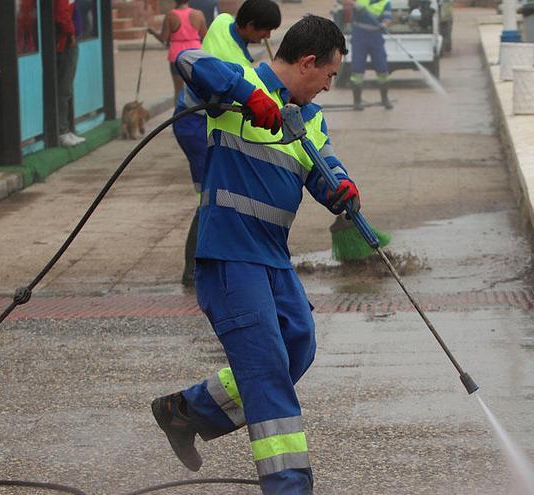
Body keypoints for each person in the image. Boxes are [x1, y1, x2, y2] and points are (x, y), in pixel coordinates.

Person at [151, 15, 359, 495]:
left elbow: (321, 162)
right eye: (329, 75)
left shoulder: (309, 117)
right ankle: (288, 485)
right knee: (266, 370)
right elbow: (188, 58)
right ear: (308, 63)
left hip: (273, 257)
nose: (329, 86)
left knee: (297, 345)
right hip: (229, 257)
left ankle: (187, 411)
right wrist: (249, 98)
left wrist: (341, 188)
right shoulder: (238, 84)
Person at [172, 0, 281, 286]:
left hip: (193, 116)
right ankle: (193, 271)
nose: (267, 37)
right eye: (265, 31)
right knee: (209, 195)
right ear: (248, 26)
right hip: (195, 123)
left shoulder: (223, 22)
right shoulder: (233, 60)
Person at [154, 0, 207, 103]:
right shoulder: (198, 14)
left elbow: (164, 38)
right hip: (195, 54)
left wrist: (152, 33)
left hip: (177, 55)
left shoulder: (170, 15)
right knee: (197, 89)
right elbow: (204, 35)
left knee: (178, 90)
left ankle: (178, 117)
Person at [344, 0, 393, 110]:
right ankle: (357, 101)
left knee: (382, 68)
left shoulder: (385, 2)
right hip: (359, 36)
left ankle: (385, 99)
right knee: (357, 69)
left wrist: (383, 25)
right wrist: (354, 4)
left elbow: (387, 18)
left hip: (376, 37)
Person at [55, 0, 86, 147]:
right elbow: (62, 14)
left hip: (69, 41)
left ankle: (67, 129)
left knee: (68, 88)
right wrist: (71, 33)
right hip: (66, 43)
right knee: (64, 88)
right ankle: (62, 131)